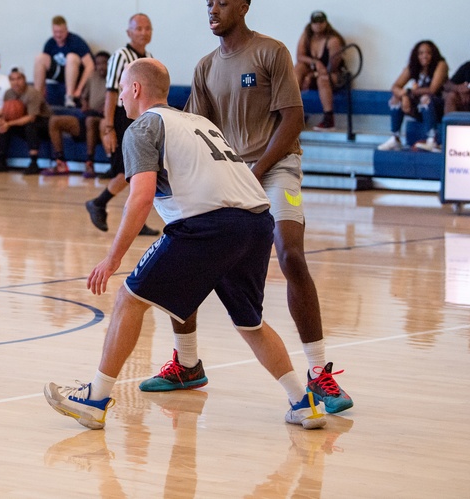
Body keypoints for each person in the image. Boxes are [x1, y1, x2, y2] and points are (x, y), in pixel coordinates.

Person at [44, 59, 327, 431]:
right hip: (257, 221)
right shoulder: (198, 122)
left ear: (135, 90)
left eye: (123, 89)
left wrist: (112, 259)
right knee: (250, 322)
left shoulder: (143, 127)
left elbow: (141, 197)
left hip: (207, 225)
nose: (119, 100)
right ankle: (304, 402)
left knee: (130, 300)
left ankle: (95, 399)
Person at [145, 0, 352, 414]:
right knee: (184, 251)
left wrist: (254, 173)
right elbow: (192, 129)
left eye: (222, 2)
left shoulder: (271, 52)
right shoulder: (204, 67)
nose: (212, 10)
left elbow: (293, 120)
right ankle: (186, 364)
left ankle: (320, 374)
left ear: (243, 6)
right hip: (230, 175)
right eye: (208, 3)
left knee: (291, 254)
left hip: (276, 170)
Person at [84, 14, 158, 237]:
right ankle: (98, 202)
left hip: (140, 118)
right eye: (138, 29)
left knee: (139, 171)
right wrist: (108, 128)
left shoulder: (149, 58)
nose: (143, 32)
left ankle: (134, 219)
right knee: (127, 171)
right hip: (121, 116)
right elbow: (111, 92)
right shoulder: (120, 56)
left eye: (147, 28)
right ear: (129, 32)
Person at [43, 51, 109, 177]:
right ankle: (60, 162)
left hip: (100, 119)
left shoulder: (115, 79)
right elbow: (84, 97)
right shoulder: (92, 77)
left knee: (90, 121)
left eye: (104, 63)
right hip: (87, 116)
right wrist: (84, 103)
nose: (101, 66)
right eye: (98, 63)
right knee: (55, 121)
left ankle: (89, 164)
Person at [377, 40, 450, 152]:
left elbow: (432, 90)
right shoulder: (413, 66)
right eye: (420, 53)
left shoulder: (441, 65)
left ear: (434, 54)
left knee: (425, 98)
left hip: (438, 106)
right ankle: (395, 138)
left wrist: (408, 93)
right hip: (420, 107)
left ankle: (432, 140)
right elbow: (395, 86)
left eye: (428, 53)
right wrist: (404, 95)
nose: (424, 56)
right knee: (396, 99)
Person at [0, 67, 51, 174]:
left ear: (24, 79)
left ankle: (34, 163)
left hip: (43, 122)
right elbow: (7, 114)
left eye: (19, 79)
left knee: (31, 126)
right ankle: (1, 160)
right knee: (3, 127)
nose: (16, 82)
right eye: (12, 79)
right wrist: (3, 122)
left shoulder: (32, 93)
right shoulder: (8, 93)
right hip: (21, 122)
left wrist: (9, 123)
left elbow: (31, 117)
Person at [294, 11, 347, 131]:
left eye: (320, 23)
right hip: (313, 73)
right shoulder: (306, 36)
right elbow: (299, 56)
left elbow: (332, 68)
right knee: (298, 68)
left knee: (323, 79)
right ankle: (294, 113)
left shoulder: (333, 41)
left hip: (332, 76)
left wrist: (313, 74)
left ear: (326, 23)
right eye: (315, 23)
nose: (318, 26)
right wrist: (315, 63)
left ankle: (329, 118)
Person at [33, 15, 95, 107]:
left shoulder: (76, 42)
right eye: (55, 32)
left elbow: (90, 66)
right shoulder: (50, 43)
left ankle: (69, 97)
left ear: (66, 29)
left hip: (76, 74)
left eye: (61, 32)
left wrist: (79, 89)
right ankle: (37, 98)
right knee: (40, 58)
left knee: (71, 57)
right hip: (58, 74)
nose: (58, 35)